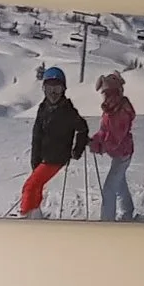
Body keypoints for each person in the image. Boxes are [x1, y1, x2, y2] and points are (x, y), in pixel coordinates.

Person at [18, 66, 90, 218]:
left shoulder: (67, 111)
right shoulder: (43, 108)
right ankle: (34, 215)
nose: (53, 93)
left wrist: (77, 150)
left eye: (57, 89)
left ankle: (25, 216)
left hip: (57, 158)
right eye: (49, 89)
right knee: (36, 186)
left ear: (63, 90)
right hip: (43, 157)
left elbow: (82, 128)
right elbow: (37, 135)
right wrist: (35, 159)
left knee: (29, 187)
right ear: (44, 89)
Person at [89, 70, 137, 222]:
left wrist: (99, 147)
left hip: (123, 153)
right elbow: (104, 131)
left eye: (111, 93)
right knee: (119, 182)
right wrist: (94, 139)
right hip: (118, 154)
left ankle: (107, 221)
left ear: (119, 93)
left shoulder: (121, 112)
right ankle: (127, 210)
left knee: (109, 189)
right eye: (105, 94)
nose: (107, 97)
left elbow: (115, 139)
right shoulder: (109, 111)